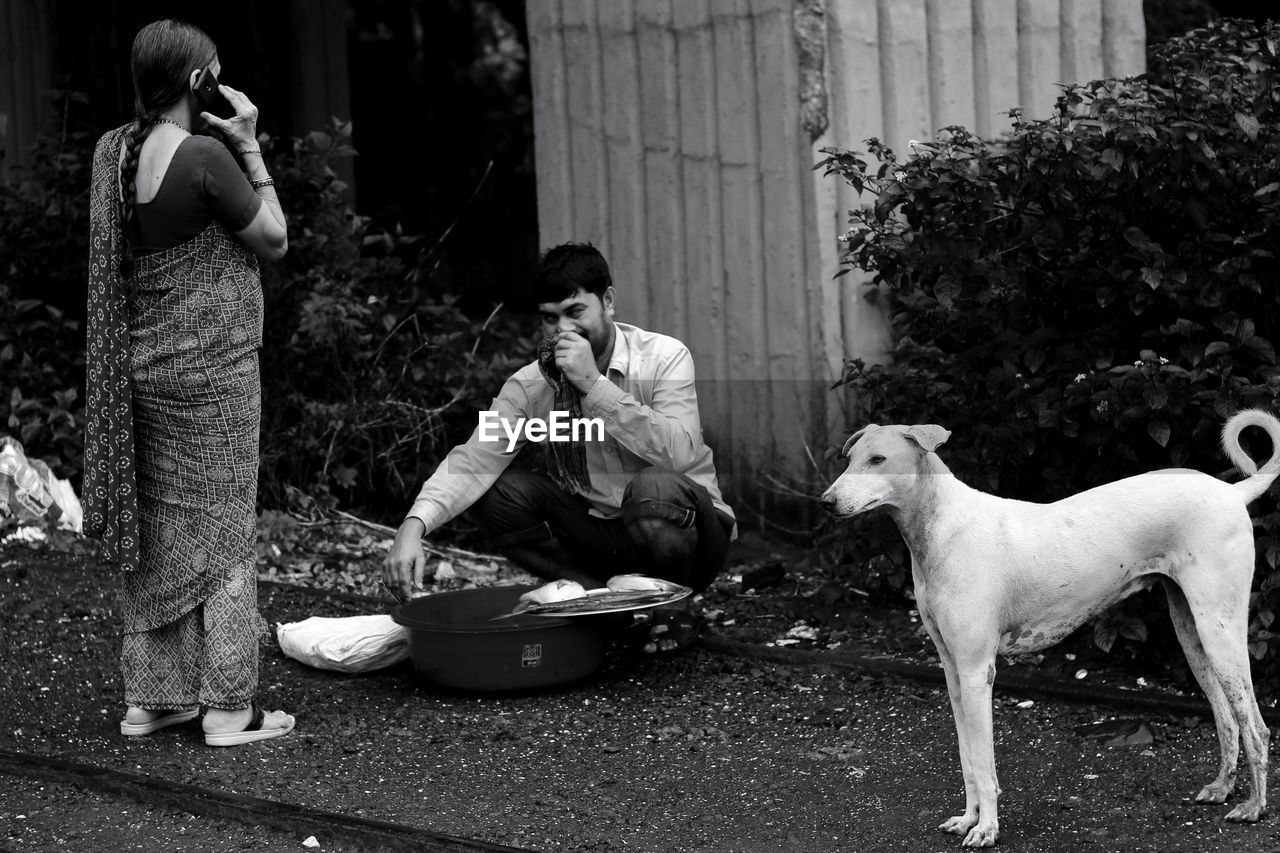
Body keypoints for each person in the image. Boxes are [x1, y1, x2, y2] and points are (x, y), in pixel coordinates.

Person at [83, 19, 294, 745]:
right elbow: (274, 238)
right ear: (200, 83)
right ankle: (230, 706)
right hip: (213, 371)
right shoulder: (207, 153)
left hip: (144, 368)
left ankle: (155, 696)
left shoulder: (113, 153)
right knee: (228, 525)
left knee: (164, 523)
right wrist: (251, 144)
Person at [383, 242, 737, 652]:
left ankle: (674, 608)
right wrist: (413, 527)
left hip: (690, 539)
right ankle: (599, 603)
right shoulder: (533, 383)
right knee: (497, 494)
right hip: (603, 535)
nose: (562, 330)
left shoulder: (664, 357)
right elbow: (475, 457)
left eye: (575, 312)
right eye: (550, 319)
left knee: (653, 487)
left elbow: (681, 453)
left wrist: (593, 385)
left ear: (608, 301)